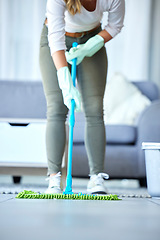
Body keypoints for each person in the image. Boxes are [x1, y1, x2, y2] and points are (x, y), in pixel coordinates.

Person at [39, 0, 125, 194]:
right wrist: (64, 77)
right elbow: (55, 37)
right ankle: (54, 179)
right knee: (56, 107)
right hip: (55, 41)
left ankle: (96, 178)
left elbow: (115, 25)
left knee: (94, 109)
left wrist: (93, 44)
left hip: (93, 38)